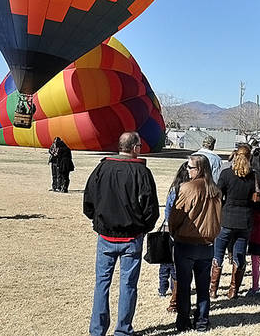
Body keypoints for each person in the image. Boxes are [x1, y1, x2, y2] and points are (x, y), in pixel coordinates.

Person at [83, 132, 160, 336]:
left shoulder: (102, 168)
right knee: (128, 285)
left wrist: (98, 221)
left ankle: (97, 330)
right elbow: (151, 209)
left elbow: (88, 200)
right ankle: (123, 330)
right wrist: (144, 227)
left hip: (108, 236)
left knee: (102, 283)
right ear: (134, 148)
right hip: (131, 238)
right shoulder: (141, 172)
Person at [170, 153, 222, 332]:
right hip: (207, 244)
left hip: (186, 242)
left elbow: (176, 215)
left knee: (184, 285)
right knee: (203, 286)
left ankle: (183, 321)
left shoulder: (187, 188)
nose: (187, 170)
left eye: (190, 167)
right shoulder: (215, 190)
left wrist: (173, 231)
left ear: (198, 169)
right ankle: (202, 320)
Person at [212, 147, 257, 299]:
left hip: (226, 219)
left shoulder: (226, 174)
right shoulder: (252, 177)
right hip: (244, 220)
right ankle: (233, 290)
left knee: (218, 254)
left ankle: (213, 290)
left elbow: (218, 195)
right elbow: (256, 199)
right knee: (239, 255)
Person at [160, 162, 190, 311]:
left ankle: (168, 289)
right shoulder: (191, 190)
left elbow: (168, 212)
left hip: (173, 230)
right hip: (186, 232)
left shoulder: (174, 189)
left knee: (170, 263)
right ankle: (176, 293)